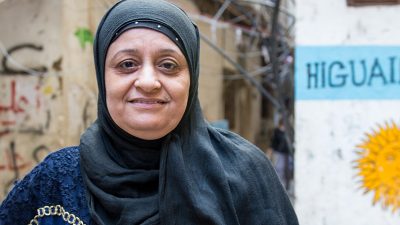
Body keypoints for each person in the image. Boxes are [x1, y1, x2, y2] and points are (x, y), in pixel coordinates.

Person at [0, 0, 298, 224]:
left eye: (168, 65)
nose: (147, 82)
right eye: (127, 64)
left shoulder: (244, 174)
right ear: (103, 78)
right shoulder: (55, 181)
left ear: (191, 77)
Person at [268, 118, 294, 190]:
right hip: (279, 153)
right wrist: (269, 154)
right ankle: (279, 187)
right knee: (279, 169)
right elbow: (273, 144)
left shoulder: (290, 131)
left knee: (289, 169)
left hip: (288, 154)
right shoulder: (277, 132)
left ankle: (287, 187)